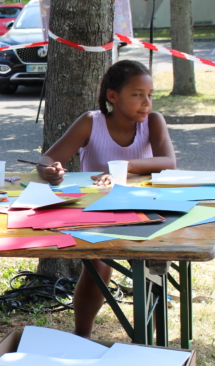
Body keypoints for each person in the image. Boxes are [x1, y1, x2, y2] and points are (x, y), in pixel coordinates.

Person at [37, 60, 177, 338]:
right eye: (137, 94)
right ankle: (82, 335)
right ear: (112, 96)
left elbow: (169, 162)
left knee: (152, 264)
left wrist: (122, 169)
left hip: (142, 209)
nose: (146, 102)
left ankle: (151, 338)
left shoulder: (153, 121)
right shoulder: (92, 122)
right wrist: (51, 170)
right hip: (98, 212)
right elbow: (47, 159)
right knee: (98, 266)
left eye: (150, 95)